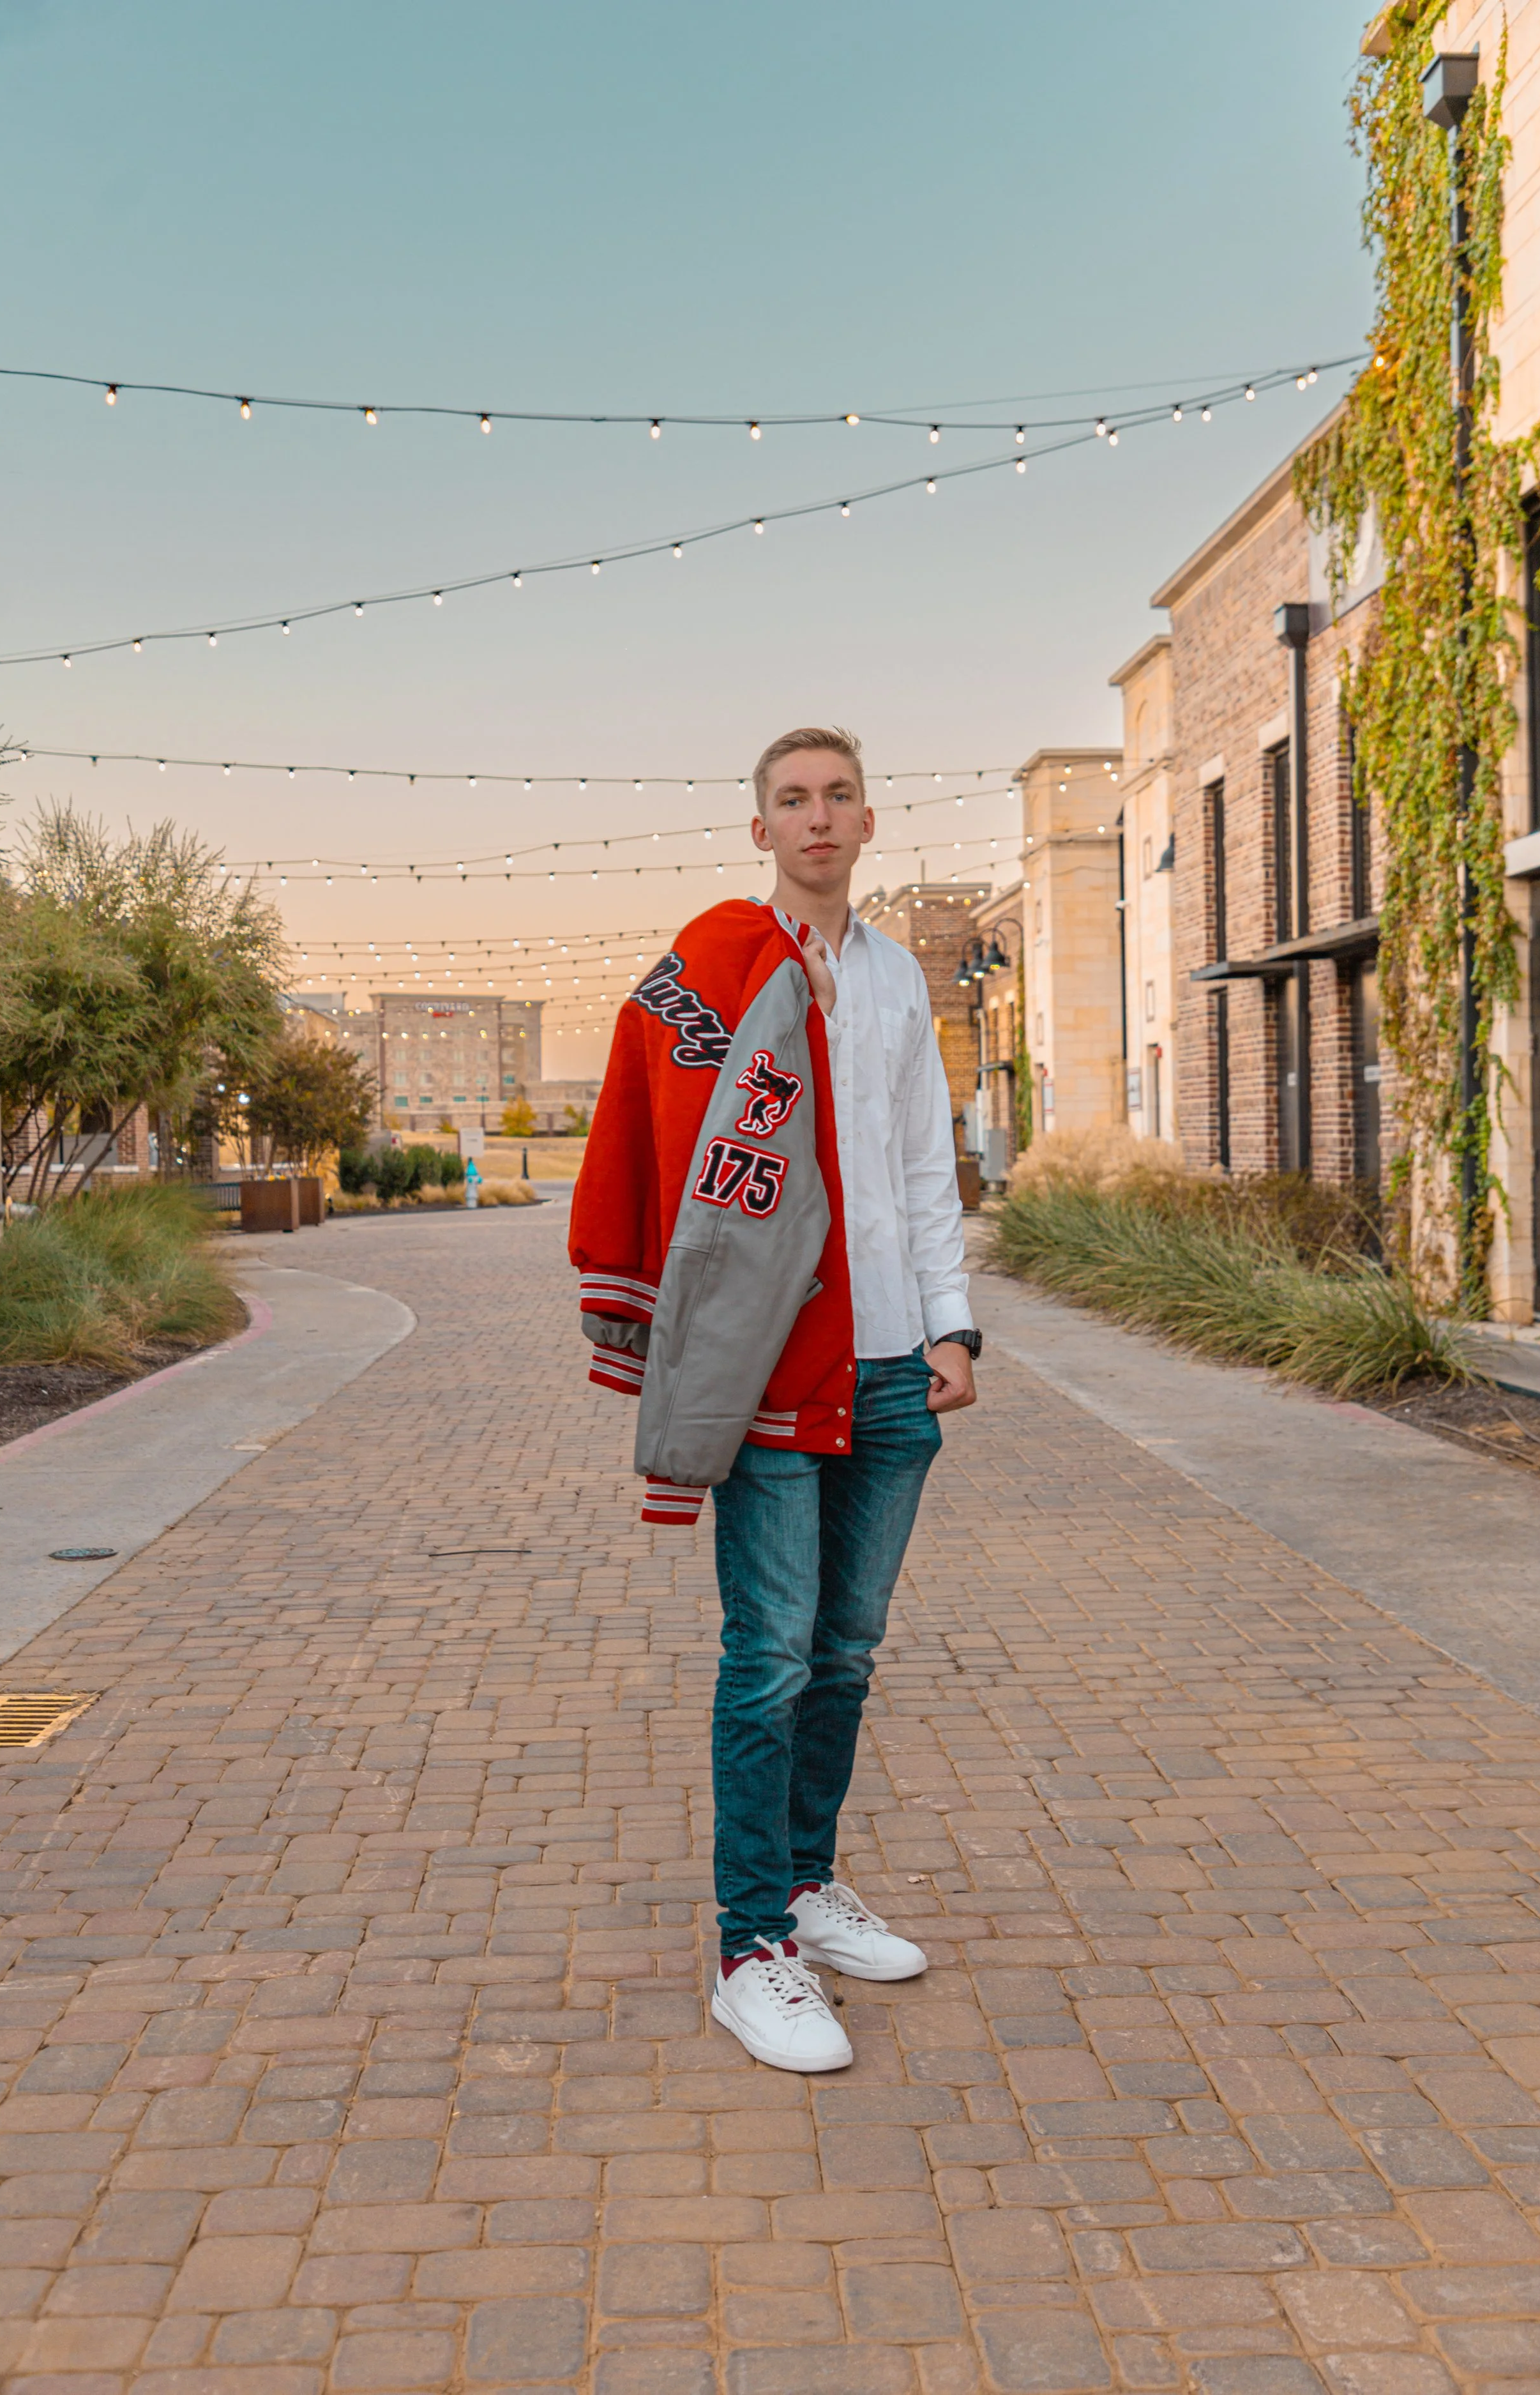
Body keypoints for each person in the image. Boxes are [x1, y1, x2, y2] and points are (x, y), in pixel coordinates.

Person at [570, 726, 980, 2071]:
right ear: (761, 833)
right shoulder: (714, 966)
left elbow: (924, 1166)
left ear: (870, 820)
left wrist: (949, 1325)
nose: (816, 819)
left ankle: (806, 1886)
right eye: (790, 802)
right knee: (770, 1657)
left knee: (847, 1651)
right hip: (771, 1367)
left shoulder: (898, 975)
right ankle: (749, 1947)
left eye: (837, 797)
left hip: (891, 1363)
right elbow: (654, 1133)